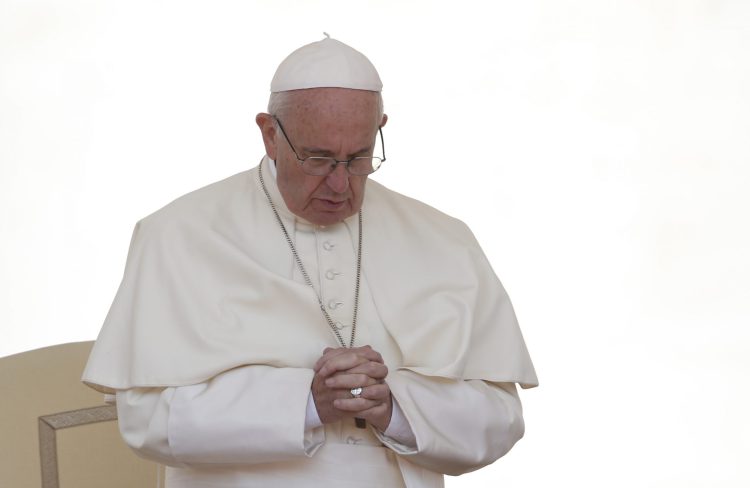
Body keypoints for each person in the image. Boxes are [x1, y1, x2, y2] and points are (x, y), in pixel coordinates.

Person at [82, 34, 538, 488]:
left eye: (358, 158)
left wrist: (393, 406)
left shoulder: (444, 238)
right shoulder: (178, 233)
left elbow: (500, 417)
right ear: (269, 135)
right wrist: (306, 403)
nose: (341, 185)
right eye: (318, 159)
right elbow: (144, 422)